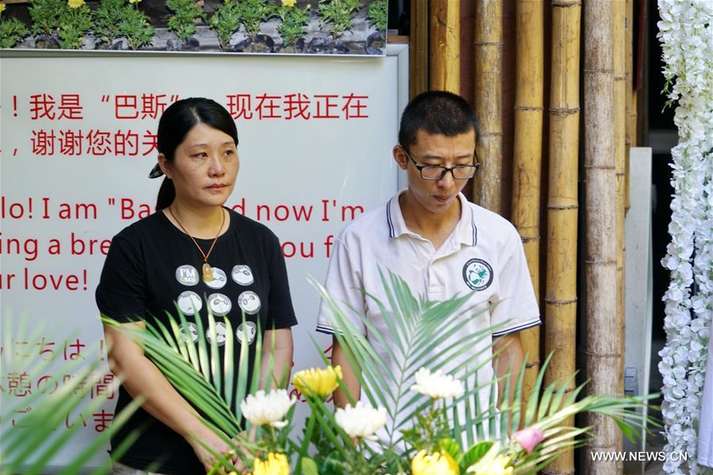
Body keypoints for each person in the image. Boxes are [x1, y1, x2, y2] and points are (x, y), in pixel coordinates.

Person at [97, 98, 297, 474]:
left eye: (228, 152)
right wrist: (201, 435)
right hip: (153, 459)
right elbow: (125, 356)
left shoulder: (261, 241)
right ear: (166, 165)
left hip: (244, 454)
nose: (218, 168)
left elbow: (278, 345)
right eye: (200, 155)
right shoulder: (134, 246)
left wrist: (256, 428)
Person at [316, 91, 540, 416]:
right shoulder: (359, 240)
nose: (447, 183)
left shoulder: (498, 237)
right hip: (385, 437)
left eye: (462, 166)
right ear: (401, 157)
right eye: (432, 167)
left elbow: (506, 346)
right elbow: (347, 351)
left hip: (474, 436)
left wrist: (506, 433)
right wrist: (354, 437)